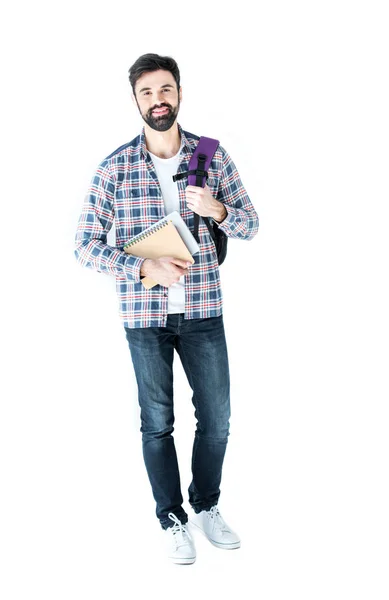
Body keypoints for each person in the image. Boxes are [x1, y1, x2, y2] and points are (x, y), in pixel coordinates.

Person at [74, 53, 259, 565]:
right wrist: (142, 269)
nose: (158, 100)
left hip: (203, 310)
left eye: (165, 90)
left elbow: (250, 224)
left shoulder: (212, 156)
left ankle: (207, 505)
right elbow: (84, 245)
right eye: (147, 93)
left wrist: (218, 209)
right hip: (144, 317)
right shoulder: (115, 167)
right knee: (156, 422)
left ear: (179, 92)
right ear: (136, 101)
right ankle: (172, 518)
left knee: (217, 420)